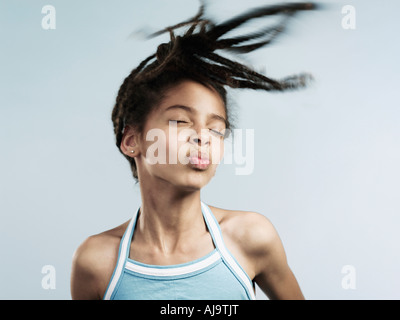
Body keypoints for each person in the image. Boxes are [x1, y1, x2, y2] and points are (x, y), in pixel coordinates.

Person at [71, 1, 318, 300]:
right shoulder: (96, 263)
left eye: (216, 128)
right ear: (131, 140)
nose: (203, 138)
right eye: (180, 121)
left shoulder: (251, 238)